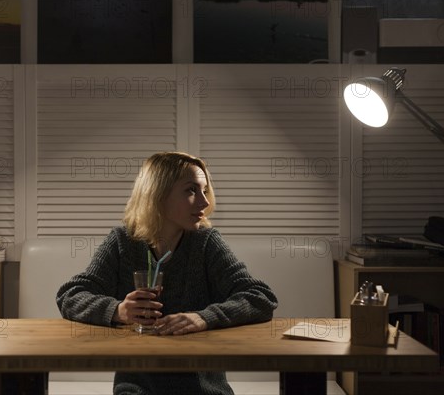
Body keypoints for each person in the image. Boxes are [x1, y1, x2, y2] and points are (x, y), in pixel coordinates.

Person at [56, 151, 278, 395]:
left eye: (205, 191)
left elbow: (260, 297)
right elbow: (71, 295)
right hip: (136, 389)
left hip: (203, 390)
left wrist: (204, 317)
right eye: (191, 190)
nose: (205, 202)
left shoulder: (206, 243)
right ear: (158, 195)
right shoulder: (122, 242)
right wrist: (118, 310)